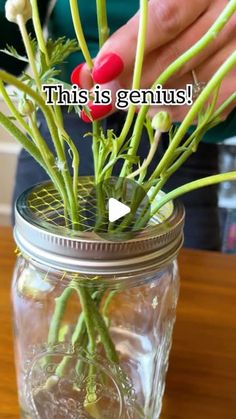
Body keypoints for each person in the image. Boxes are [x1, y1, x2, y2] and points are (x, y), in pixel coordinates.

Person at [0, 0, 235, 249]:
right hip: (62, 131)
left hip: (178, 142)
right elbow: (11, 51)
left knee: (174, 275)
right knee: (50, 271)